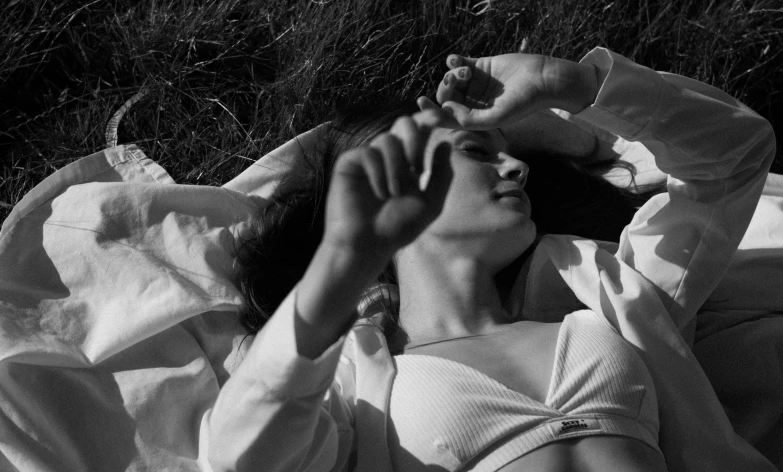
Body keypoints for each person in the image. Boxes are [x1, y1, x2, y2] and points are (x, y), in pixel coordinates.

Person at [204, 48, 777, 471]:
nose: (517, 168)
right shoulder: (355, 380)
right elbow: (243, 457)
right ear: (389, 182)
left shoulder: (607, 302)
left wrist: (571, 83)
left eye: (511, 154)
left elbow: (735, 157)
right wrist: (342, 263)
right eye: (479, 151)